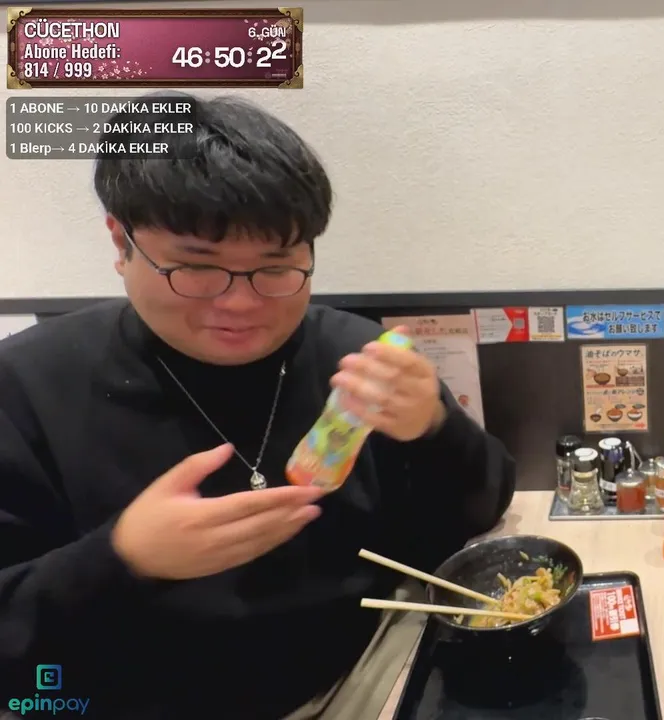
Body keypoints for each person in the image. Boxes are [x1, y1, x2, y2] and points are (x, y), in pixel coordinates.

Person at [0, 92, 516, 719]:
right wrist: (121, 559)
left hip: (360, 678)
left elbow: (475, 514)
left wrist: (433, 429)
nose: (241, 304)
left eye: (276, 268)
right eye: (195, 268)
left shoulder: (356, 358)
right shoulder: (23, 387)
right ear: (121, 240)